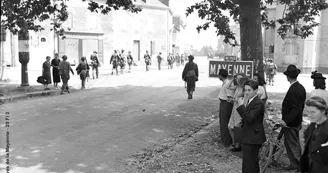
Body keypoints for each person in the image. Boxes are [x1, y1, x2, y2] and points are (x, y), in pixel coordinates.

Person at [235, 80, 266, 173]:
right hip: (249, 135)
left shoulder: (258, 103)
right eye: (245, 90)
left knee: (251, 164)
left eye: (249, 90)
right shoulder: (250, 100)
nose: (247, 92)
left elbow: (249, 118)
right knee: (248, 163)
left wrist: (241, 106)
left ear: (256, 91)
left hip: (253, 137)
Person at [281, 64, 306, 171]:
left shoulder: (294, 89)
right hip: (296, 121)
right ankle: (294, 164)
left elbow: (296, 109)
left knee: (293, 145)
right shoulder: (299, 87)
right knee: (291, 143)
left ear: (288, 77)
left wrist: (286, 121)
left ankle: (298, 167)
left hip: (291, 123)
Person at [300, 96, 328, 173]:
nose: (309, 115)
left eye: (313, 112)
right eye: (307, 111)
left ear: (323, 111)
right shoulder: (312, 126)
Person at [228, 74, 248, 152]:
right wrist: (233, 79)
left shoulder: (245, 90)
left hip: (239, 110)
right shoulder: (237, 87)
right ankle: (234, 142)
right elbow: (228, 87)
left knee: (237, 127)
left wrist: (233, 100)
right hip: (234, 109)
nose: (238, 81)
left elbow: (243, 102)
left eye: (240, 80)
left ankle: (238, 145)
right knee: (230, 126)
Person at [218, 69, 235, 147]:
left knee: (225, 123)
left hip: (226, 104)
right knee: (222, 122)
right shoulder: (225, 83)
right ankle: (224, 139)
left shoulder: (227, 83)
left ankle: (227, 141)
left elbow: (229, 96)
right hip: (223, 103)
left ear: (220, 76)